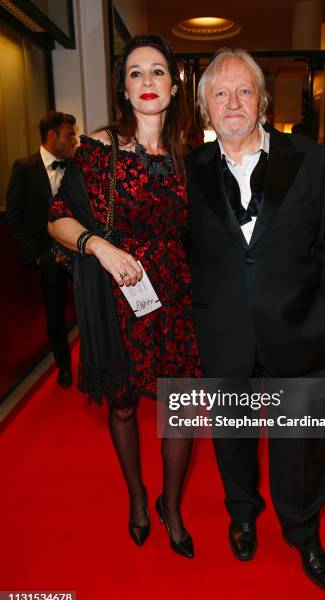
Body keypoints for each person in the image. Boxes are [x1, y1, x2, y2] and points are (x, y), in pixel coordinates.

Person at [186, 48, 325, 589]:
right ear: (205, 107)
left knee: (299, 443)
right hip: (224, 332)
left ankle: (304, 533)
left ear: (261, 101)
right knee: (232, 435)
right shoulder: (189, 172)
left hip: (298, 331)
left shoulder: (312, 160)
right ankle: (242, 514)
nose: (232, 102)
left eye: (244, 91)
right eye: (219, 93)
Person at [48, 34, 201, 559]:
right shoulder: (99, 149)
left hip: (179, 299)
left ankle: (171, 505)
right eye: (136, 73)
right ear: (123, 86)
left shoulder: (192, 156)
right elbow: (58, 219)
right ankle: (138, 496)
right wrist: (100, 249)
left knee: (182, 409)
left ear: (175, 83)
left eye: (158, 71)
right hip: (122, 294)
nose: (148, 82)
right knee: (122, 404)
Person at [6, 111, 77, 387]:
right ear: (51, 136)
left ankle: (96, 363)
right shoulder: (24, 168)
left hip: (77, 249)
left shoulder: (75, 167)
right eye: (68, 134)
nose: (73, 139)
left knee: (91, 304)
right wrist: (36, 254)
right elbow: (13, 215)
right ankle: (64, 367)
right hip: (47, 255)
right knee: (55, 312)